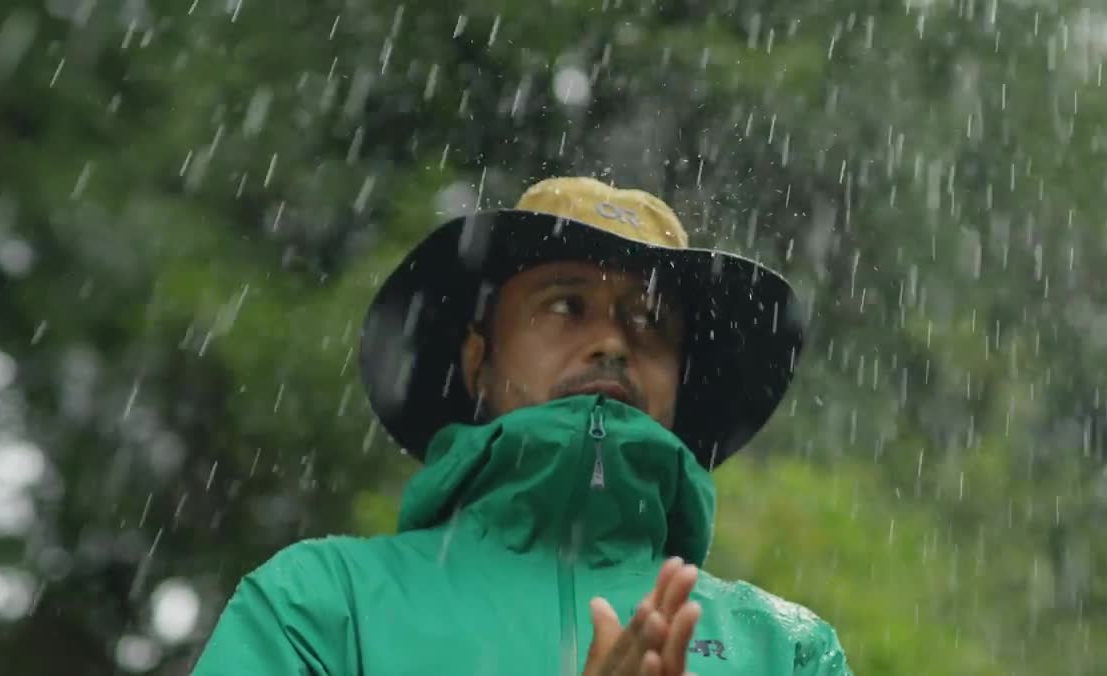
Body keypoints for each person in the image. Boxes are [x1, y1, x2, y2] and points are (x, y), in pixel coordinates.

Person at [191, 177, 851, 675]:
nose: (613, 344)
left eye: (649, 320)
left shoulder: (785, 650)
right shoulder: (321, 608)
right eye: (567, 305)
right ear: (479, 361)